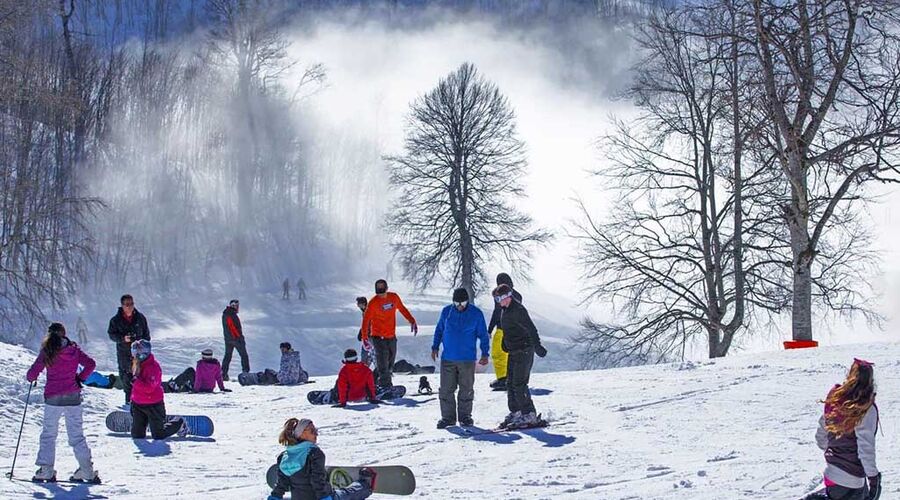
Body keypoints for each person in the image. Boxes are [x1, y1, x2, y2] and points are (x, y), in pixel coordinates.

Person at [27, 323, 99, 483]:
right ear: (64, 334)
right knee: (76, 436)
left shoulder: (48, 350)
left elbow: (33, 373)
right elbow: (91, 364)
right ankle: (87, 471)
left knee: (49, 434)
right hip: (73, 396)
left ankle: (46, 470)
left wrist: (31, 377)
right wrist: (80, 378)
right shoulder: (73, 349)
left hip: (53, 397)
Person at [807, 359, 881, 500]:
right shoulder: (866, 408)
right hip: (852, 480)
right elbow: (865, 448)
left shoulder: (836, 399)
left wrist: (836, 453)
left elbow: (821, 437)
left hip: (831, 475)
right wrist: (873, 477)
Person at [268, 418, 375, 500]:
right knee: (348, 493)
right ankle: (365, 484)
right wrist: (324, 497)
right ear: (302, 433)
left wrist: (275, 496)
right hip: (321, 497)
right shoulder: (314, 453)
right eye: (312, 430)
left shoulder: (284, 456)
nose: (316, 433)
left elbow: (282, 482)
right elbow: (317, 480)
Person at [431, 288, 490, 428]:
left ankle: (465, 417)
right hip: (448, 358)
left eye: (462, 302)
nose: (459, 306)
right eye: (456, 302)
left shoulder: (476, 314)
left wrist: (485, 353)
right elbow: (439, 330)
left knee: (466, 389)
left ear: (467, 301)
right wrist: (435, 346)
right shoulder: (446, 312)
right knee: (446, 389)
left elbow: (483, 335)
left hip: (467, 359)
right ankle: (448, 418)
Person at [492, 284, 547, 429]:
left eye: (504, 297)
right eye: (498, 298)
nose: (501, 301)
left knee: (519, 383)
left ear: (510, 295)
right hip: (513, 351)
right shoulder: (505, 310)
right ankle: (516, 412)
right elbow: (508, 329)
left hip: (524, 350)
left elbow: (531, 328)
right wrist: (505, 342)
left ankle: (529, 413)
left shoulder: (518, 310)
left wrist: (537, 346)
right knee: (510, 383)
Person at [360, 279, 417, 388]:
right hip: (377, 337)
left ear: (386, 287)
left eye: (382, 287)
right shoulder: (373, 303)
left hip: (391, 336)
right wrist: (364, 338)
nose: (380, 290)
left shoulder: (394, 297)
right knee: (382, 363)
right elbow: (366, 321)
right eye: (378, 287)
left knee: (389, 364)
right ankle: (385, 386)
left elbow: (402, 309)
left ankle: (370, 382)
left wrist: (412, 320)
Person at [129, 340, 188, 439]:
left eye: (140, 353)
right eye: (135, 353)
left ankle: (179, 422)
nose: (137, 356)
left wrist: (135, 381)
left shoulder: (153, 367)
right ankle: (145, 423)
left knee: (158, 435)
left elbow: (149, 388)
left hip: (153, 404)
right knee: (137, 435)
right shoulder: (135, 364)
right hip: (138, 404)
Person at [107, 294, 151, 407]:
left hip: (140, 354)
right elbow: (111, 335)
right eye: (127, 304)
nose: (130, 307)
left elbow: (147, 334)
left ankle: (142, 403)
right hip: (124, 354)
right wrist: (123, 338)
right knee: (127, 378)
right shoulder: (115, 320)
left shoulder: (140, 318)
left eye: (131, 304)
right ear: (122, 306)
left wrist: (143, 344)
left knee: (141, 378)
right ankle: (129, 403)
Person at [487, 273, 522, 391]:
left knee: (498, 353)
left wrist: (490, 329)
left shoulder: (499, 294)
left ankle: (503, 378)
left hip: (502, 328)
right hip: (515, 329)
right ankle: (511, 377)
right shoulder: (517, 295)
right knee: (509, 354)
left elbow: (496, 312)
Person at [221, 299, 250, 381]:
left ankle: (223, 373)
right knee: (244, 355)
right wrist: (239, 337)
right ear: (233, 306)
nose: (237, 307)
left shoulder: (226, 313)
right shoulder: (230, 314)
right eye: (236, 306)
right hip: (235, 339)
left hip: (228, 339)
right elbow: (232, 328)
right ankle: (246, 373)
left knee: (227, 356)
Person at [355, 297, 376, 373]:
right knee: (367, 356)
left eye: (359, 304)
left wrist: (364, 333)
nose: (358, 306)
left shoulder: (369, 311)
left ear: (363, 303)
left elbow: (371, 323)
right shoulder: (364, 311)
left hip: (372, 337)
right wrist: (361, 332)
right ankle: (364, 373)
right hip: (367, 337)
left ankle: (379, 373)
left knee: (372, 356)